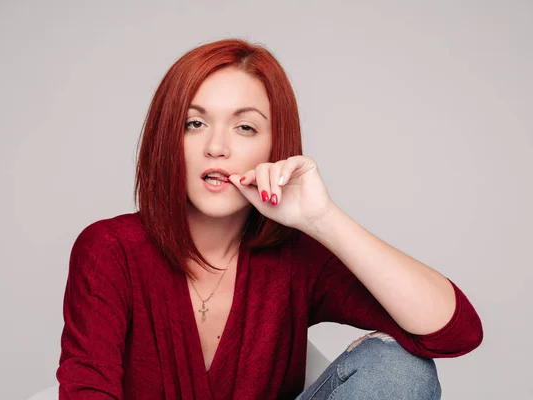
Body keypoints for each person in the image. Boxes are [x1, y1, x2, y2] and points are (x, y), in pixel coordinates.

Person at [55, 38, 483, 400]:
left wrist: (322, 218)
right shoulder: (110, 250)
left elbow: (453, 333)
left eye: (245, 128)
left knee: (399, 370)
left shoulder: (296, 259)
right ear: (167, 138)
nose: (217, 147)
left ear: (274, 147)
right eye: (194, 122)